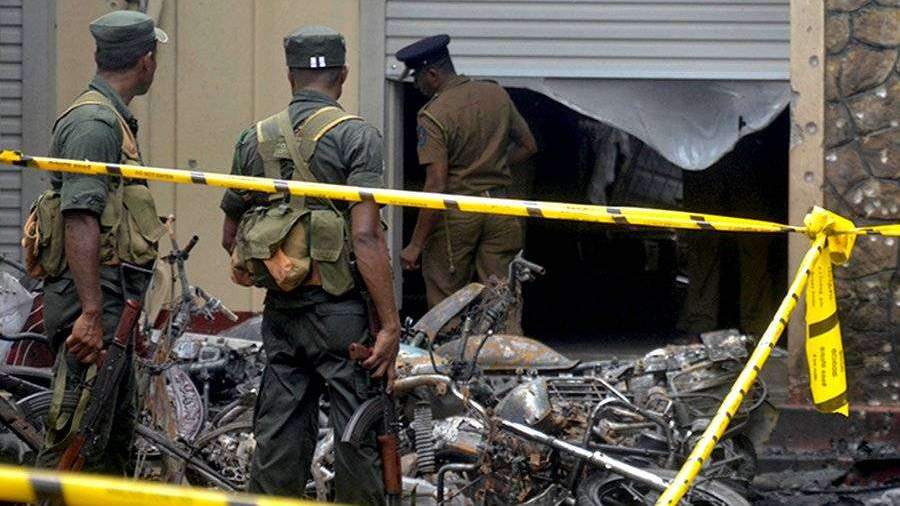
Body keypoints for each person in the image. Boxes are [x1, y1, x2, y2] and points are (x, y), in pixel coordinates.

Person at [220, 26, 398, 504]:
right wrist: (389, 323)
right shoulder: (358, 137)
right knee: (356, 433)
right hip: (342, 315)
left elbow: (230, 236)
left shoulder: (253, 139)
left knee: (278, 435)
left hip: (281, 312)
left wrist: (285, 267)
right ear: (343, 75)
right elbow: (366, 235)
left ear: (290, 76)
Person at [36, 10, 168, 474]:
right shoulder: (95, 124)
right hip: (92, 307)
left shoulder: (113, 120)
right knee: (75, 440)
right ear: (146, 61)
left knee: (108, 443)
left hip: (112, 305)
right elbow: (79, 217)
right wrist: (92, 314)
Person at [396, 34, 538, 308]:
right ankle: (504, 337)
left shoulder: (433, 114)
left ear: (433, 74)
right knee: (501, 297)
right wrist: (493, 164)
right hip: (501, 209)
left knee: (447, 299)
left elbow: (436, 184)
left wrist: (415, 245)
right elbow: (528, 146)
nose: (416, 85)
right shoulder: (496, 94)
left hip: (458, 213)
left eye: (417, 77)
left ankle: (450, 340)